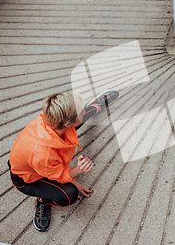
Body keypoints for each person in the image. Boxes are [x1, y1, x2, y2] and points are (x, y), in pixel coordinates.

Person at [8, 90, 118, 231]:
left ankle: (93, 107)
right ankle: (43, 200)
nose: (81, 112)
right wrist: (78, 170)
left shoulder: (51, 119)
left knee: (73, 122)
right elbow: (59, 176)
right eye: (81, 110)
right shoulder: (43, 154)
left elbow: (71, 122)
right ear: (66, 123)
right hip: (28, 179)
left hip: (38, 160)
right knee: (69, 195)